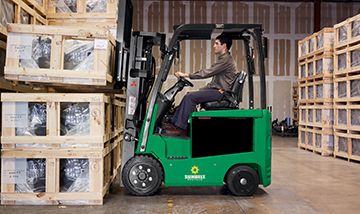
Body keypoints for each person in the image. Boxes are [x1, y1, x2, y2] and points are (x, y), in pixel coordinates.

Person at [165, 33, 238, 135]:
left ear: (224, 46)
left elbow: (206, 73)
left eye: (216, 43)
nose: (214, 46)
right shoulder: (224, 59)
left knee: (190, 97)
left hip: (221, 93)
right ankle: (174, 122)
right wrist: (201, 90)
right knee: (189, 95)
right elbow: (214, 81)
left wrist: (186, 75)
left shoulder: (226, 60)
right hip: (217, 90)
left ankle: (180, 127)